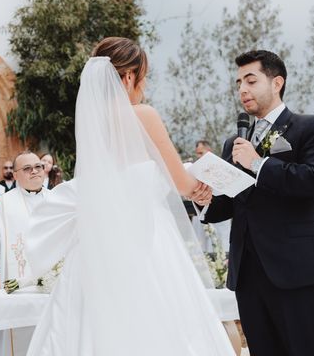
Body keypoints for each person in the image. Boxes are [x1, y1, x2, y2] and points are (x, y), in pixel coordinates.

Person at [25, 37, 234, 355]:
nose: (144, 87)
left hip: (97, 243)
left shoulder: (92, 123)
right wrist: (206, 183)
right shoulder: (143, 115)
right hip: (145, 240)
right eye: (144, 77)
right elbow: (181, 182)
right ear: (128, 77)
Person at [202, 50, 314, 356]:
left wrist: (259, 164)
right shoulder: (233, 143)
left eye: (251, 80)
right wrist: (205, 200)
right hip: (248, 274)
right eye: (238, 83)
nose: (242, 90)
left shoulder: (311, 127)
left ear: (277, 83)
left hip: (297, 271)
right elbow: (232, 202)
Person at [0, 151, 51, 356]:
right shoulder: (4, 203)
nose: (35, 171)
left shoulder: (56, 200)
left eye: (38, 166)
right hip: (16, 284)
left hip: (51, 286)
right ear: (16, 175)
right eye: (27, 169)